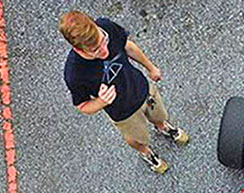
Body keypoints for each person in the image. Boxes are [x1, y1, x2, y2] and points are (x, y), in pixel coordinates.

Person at [59, 11, 189, 174]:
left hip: (143, 89)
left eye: (103, 41)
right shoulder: (75, 73)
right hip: (124, 112)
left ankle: (162, 127)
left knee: (160, 115)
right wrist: (102, 102)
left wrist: (151, 68)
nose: (105, 51)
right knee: (137, 138)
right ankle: (146, 152)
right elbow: (82, 106)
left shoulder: (106, 26)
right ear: (78, 50)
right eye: (95, 51)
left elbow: (128, 46)